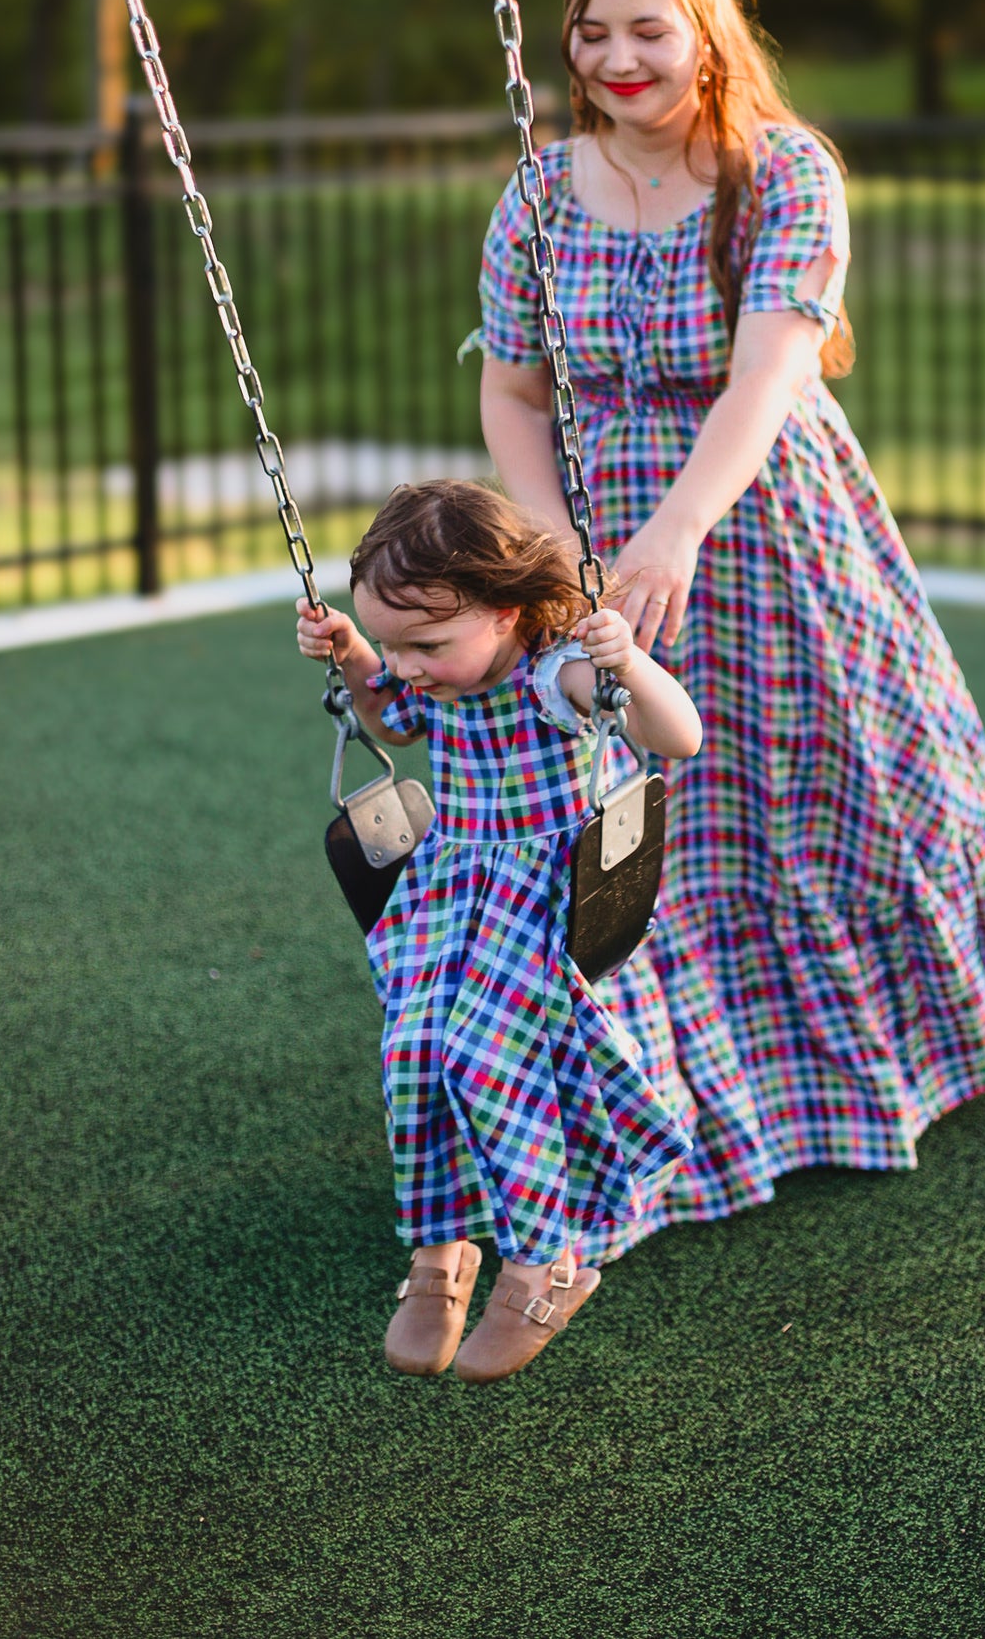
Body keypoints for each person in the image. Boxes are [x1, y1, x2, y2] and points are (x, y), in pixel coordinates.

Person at [467, 0, 985, 1264]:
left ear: (707, 32)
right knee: (640, 816)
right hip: (595, 538)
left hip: (763, 525)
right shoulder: (534, 196)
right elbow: (512, 390)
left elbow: (769, 376)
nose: (620, 55)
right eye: (595, 30)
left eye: (650, 26)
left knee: (821, 783)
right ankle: (664, 1103)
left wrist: (676, 532)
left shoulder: (782, 175)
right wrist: (557, 551)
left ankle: (867, 1062)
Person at [296, 477, 702, 1383]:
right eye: (397, 644)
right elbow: (384, 719)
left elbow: (678, 739)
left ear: (511, 611)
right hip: (453, 888)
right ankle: (441, 1254)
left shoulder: (557, 678)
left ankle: (543, 1262)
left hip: (544, 896)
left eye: (427, 643)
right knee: (413, 1052)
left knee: (488, 1058)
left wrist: (628, 663)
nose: (408, 667)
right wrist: (357, 651)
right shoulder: (424, 674)